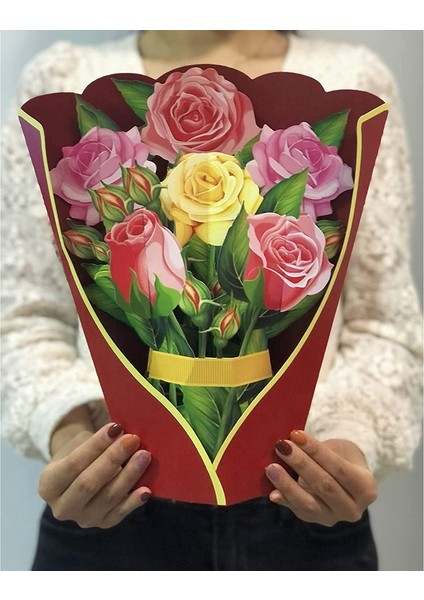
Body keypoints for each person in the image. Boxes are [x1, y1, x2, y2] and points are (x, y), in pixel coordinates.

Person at [1, 30, 422, 571]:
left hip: (308, 506)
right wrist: (72, 437)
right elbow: (24, 315)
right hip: (108, 504)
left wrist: (349, 443)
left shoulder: (356, 76)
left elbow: (384, 321)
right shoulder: (60, 76)